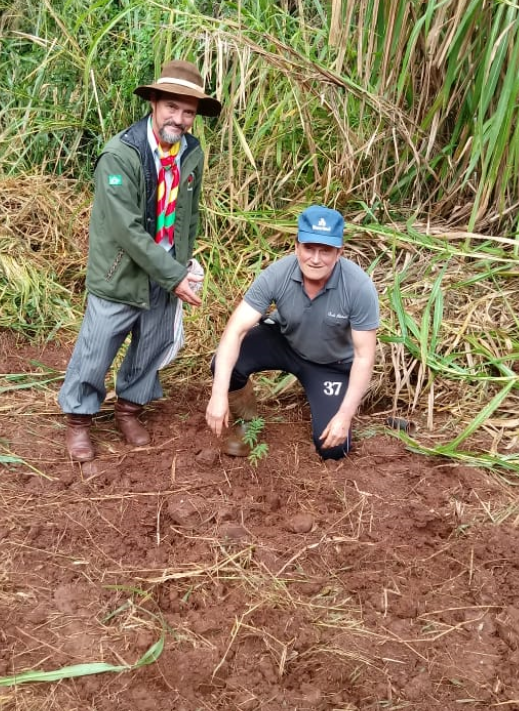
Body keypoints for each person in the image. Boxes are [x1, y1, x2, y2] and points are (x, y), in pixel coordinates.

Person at [59, 59, 221, 461]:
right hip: (121, 270)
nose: (179, 119)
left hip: (167, 270)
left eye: (188, 112)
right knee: (98, 346)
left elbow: (188, 213)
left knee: (153, 341)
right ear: (153, 103)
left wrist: (182, 261)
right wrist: (173, 275)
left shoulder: (191, 152)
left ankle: (129, 409)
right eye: (171, 106)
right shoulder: (121, 155)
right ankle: (79, 420)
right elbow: (126, 230)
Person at [206, 206, 380, 460]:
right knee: (226, 364)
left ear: (339, 252)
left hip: (330, 365)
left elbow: (364, 357)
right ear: (296, 246)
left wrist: (345, 415)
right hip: (286, 342)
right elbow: (235, 329)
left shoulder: (358, 287)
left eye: (326, 251)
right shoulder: (278, 274)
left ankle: (336, 404)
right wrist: (218, 394)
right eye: (309, 248)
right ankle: (246, 422)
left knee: (333, 449)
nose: (316, 259)